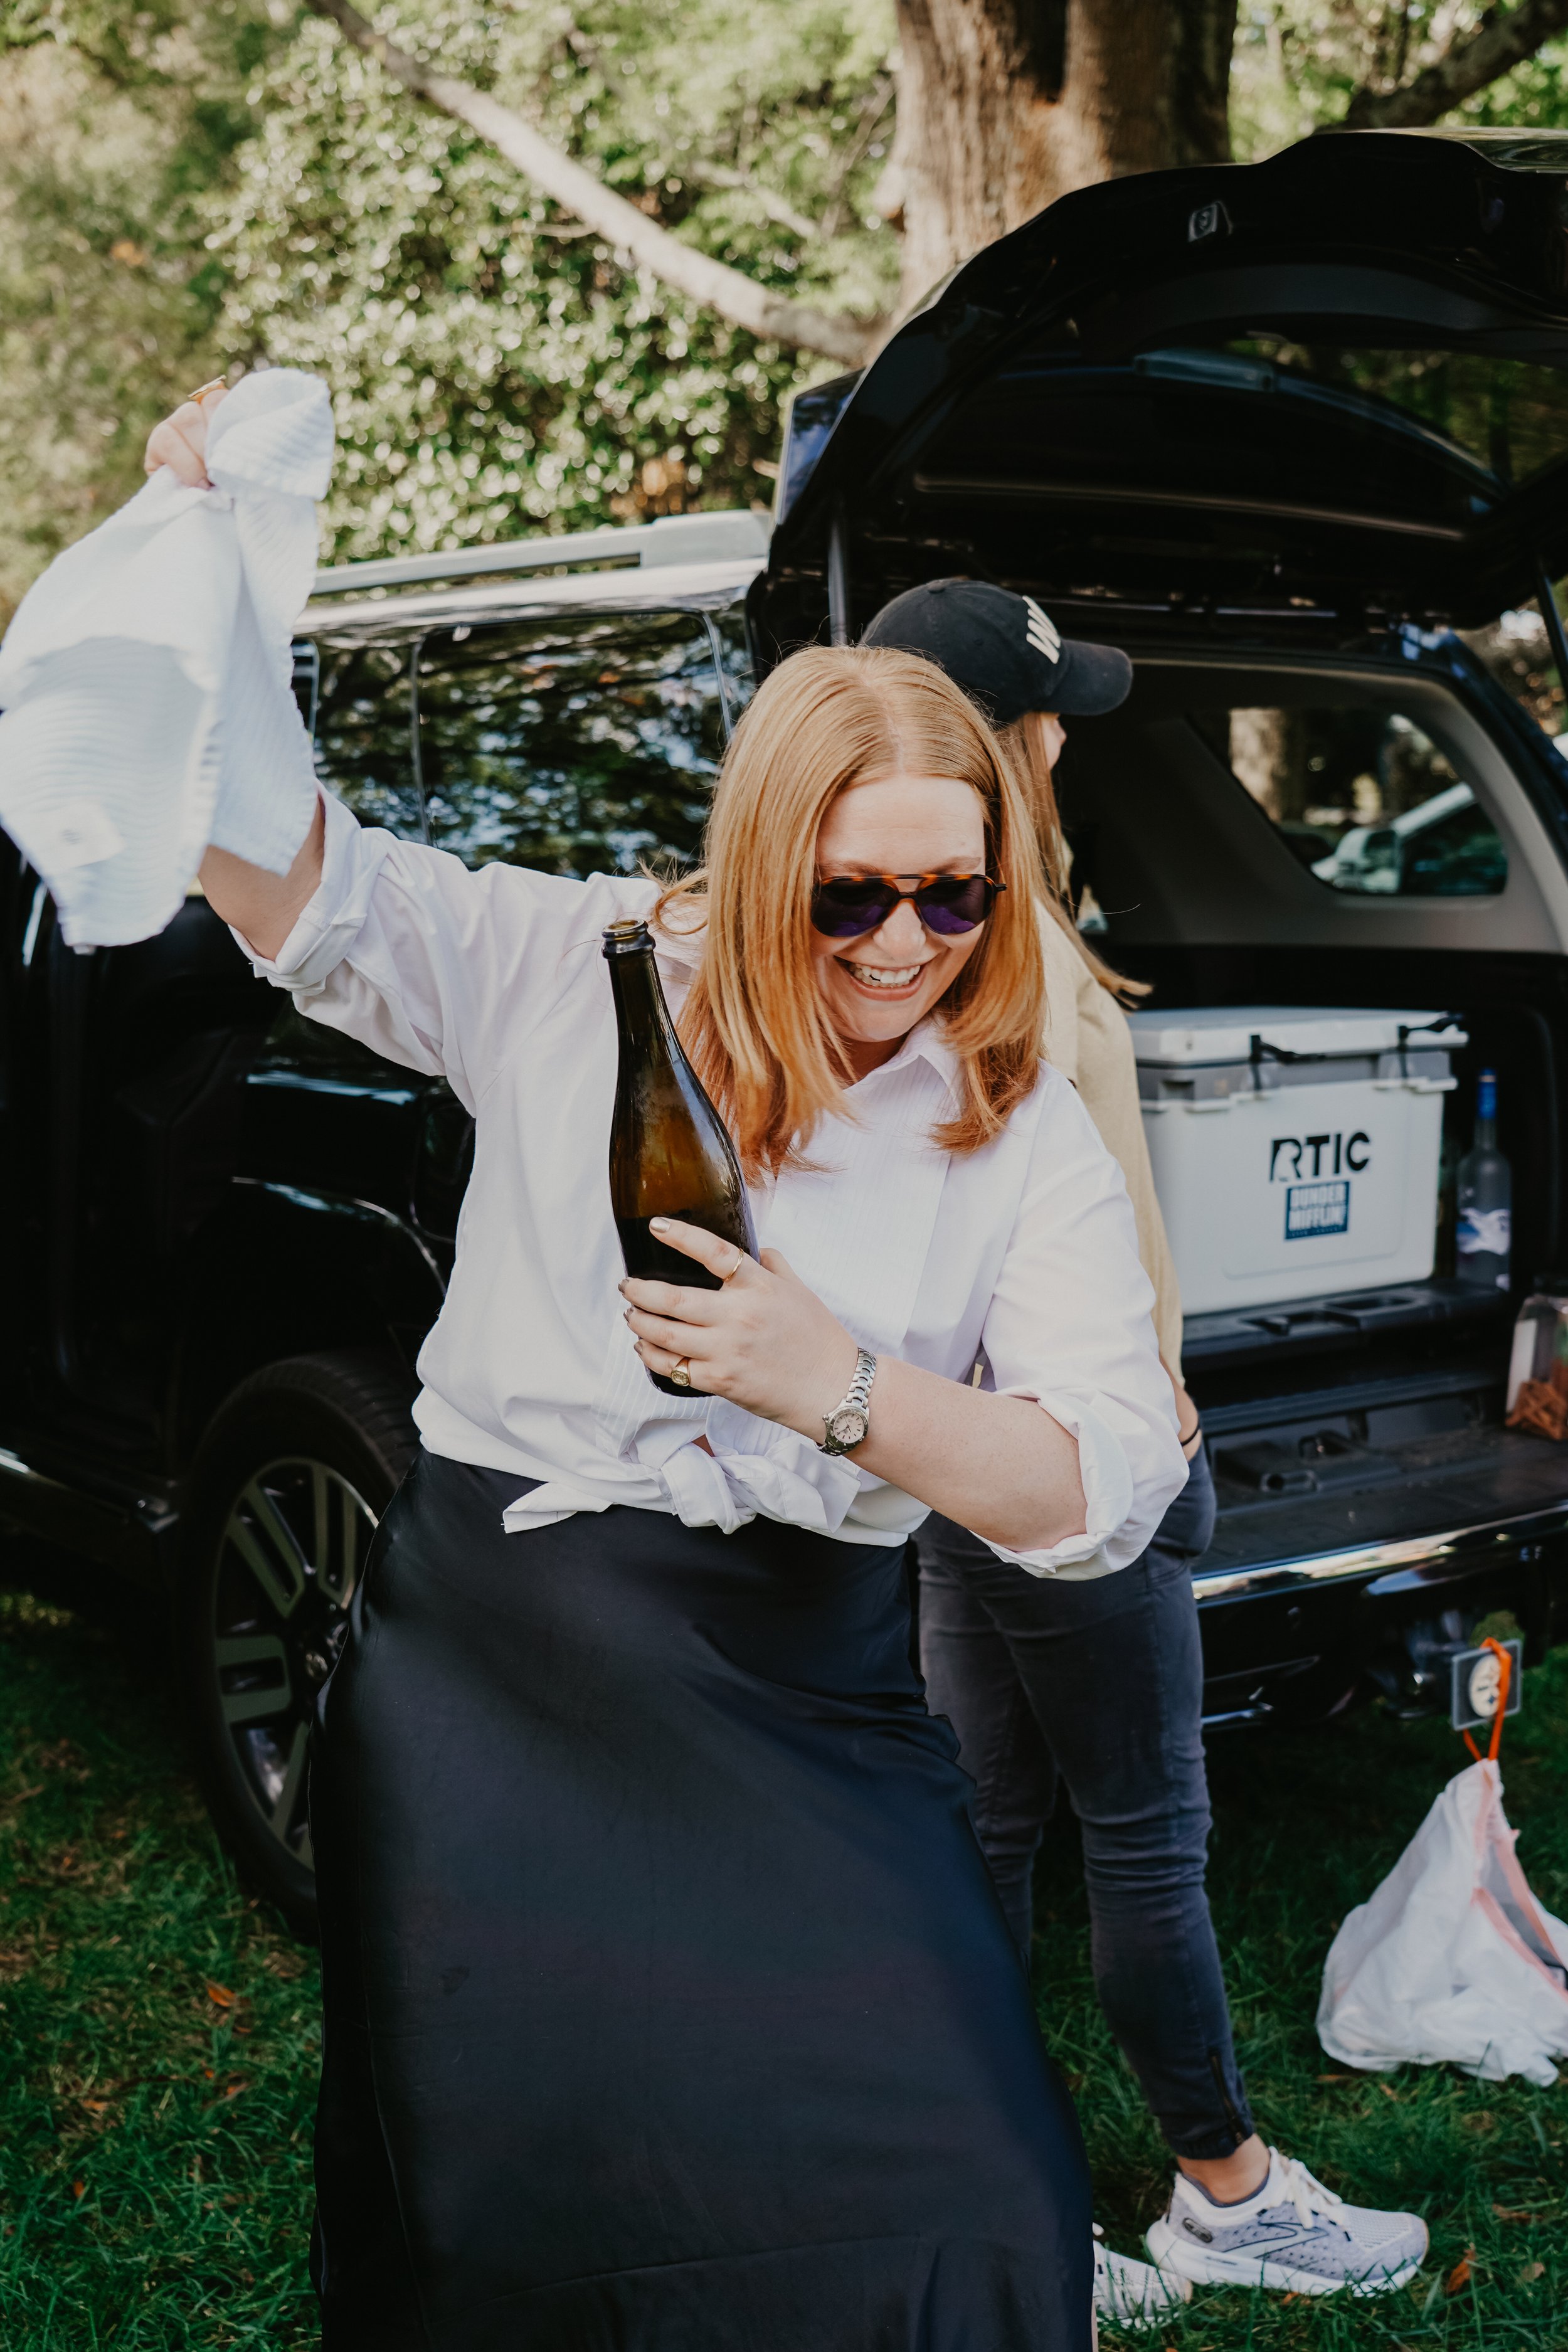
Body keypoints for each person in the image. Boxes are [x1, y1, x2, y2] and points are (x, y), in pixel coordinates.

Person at [137, 394, 1194, 2350]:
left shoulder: (1011, 1106)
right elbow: (285, 869)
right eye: (851, 895)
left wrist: (844, 1386)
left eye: (954, 893)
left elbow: (1097, 1481)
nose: (903, 946)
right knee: (516, 2228)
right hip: (505, 1666)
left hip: (808, 1683)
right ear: (762, 853)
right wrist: (203, 547)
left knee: (974, 2198)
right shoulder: (568, 971)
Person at [862, 580, 1431, 2316]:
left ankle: (972, 2184)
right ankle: (1222, 2189)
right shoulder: (969, 946)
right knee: (1141, 1838)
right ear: (992, 736)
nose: (1063, 734)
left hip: (1015, 1462)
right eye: (1045, 711)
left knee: (990, 1830)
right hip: (1064, 1478)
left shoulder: (977, 919)